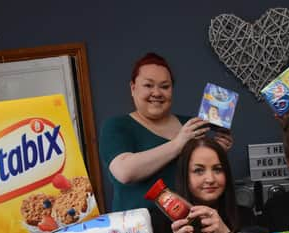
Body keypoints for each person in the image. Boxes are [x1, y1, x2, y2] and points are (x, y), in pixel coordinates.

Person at [99, 52, 234, 221]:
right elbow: (125, 172)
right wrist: (178, 144)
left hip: (189, 229)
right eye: (148, 85)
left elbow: (203, 180)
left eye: (164, 86)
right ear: (133, 88)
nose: (157, 93)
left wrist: (217, 152)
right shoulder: (117, 126)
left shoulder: (190, 125)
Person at [161, 137, 254, 233]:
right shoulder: (166, 222)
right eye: (199, 170)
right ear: (185, 176)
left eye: (218, 169)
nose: (210, 179)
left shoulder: (245, 215)